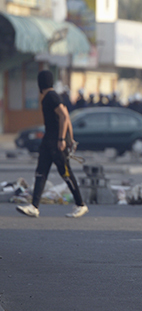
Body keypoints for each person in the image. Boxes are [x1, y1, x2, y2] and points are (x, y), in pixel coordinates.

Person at [16, 70, 88, 218]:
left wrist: (62, 140)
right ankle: (34, 206)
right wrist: (71, 138)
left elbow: (63, 115)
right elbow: (66, 115)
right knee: (41, 172)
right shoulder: (53, 96)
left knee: (65, 173)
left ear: (40, 83)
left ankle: (81, 204)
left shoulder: (51, 97)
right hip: (49, 141)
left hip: (55, 142)